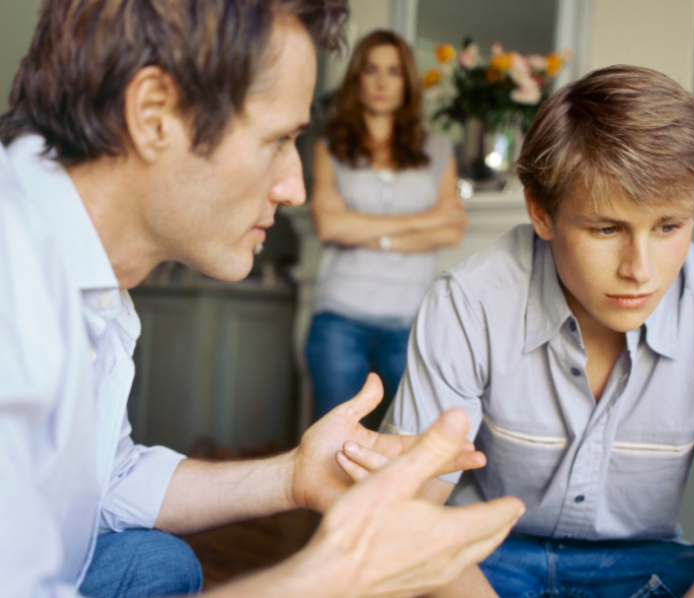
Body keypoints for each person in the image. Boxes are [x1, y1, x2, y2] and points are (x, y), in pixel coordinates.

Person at [0, 2, 527, 598]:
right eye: (278, 139)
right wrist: (337, 574)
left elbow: (106, 480)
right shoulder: (12, 280)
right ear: (153, 115)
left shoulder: (96, 286)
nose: (294, 188)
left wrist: (293, 476)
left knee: (157, 563)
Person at [346, 65, 694, 598]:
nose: (641, 269)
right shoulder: (470, 302)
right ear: (541, 213)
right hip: (484, 550)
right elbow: (406, 508)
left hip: (641, 562)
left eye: (668, 227)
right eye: (606, 228)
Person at [307, 29, 467, 429]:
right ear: (357, 78)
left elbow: (450, 231)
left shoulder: (438, 149)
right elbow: (329, 226)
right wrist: (421, 219)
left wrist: (366, 231)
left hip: (407, 319)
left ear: (407, 81)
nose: (381, 82)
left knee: (411, 438)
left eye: (393, 71)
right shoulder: (330, 148)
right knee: (333, 441)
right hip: (339, 316)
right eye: (371, 70)